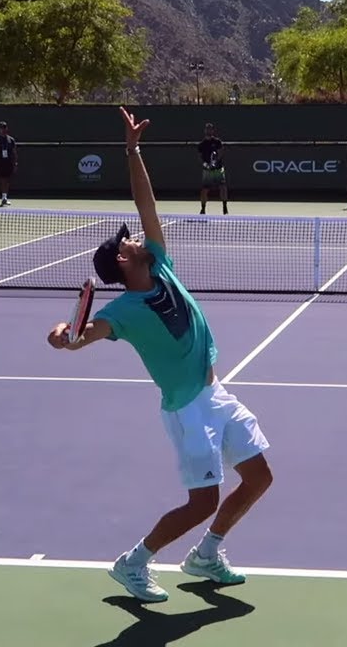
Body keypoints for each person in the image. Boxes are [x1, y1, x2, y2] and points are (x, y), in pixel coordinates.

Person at [46, 106, 273, 603]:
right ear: (122, 259)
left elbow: (145, 202)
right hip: (188, 410)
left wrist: (132, 151)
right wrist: (63, 334)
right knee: (202, 501)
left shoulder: (162, 265)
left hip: (216, 394)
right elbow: (83, 336)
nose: (137, 236)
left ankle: (206, 554)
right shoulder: (122, 310)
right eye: (128, 240)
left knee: (259, 477)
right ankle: (133, 562)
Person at [197, 122, 228, 215]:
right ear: (205, 130)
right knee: (204, 190)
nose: (208, 130)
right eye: (207, 129)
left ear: (213, 131)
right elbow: (200, 157)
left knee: (223, 188)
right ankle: (203, 209)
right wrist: (206, 165)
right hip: (207, 171)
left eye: (210, 129)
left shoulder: (217, 142)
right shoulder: (201, 144)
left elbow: (221, 153)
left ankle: (225, 208)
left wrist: (215, 162)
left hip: (218, 169)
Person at [0, 121, 18, 207]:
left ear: (6, 128)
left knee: (6, 181)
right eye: (1, 128)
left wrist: (15, 163)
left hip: (7, 164)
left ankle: (4, 198)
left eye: (4, 127)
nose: (3, 129)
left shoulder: (11, 140)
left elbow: (14, 152)